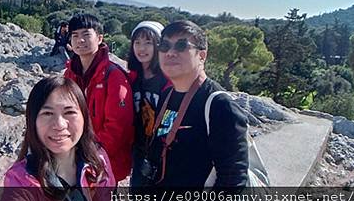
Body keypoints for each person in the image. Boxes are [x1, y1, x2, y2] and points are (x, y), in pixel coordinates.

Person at [143, 20, 249, 188]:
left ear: (202, 55)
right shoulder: (167, 95)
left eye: (181, 46)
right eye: (164, 46)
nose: (170, 53)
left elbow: (232, 179)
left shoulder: (220, 105)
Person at [1, 76, 115, 201]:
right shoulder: (21, 180)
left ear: (84, 118)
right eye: (48, 113)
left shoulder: (98, 161)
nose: (60, 125)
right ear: (33, 121)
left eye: (69, 112)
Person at [63, 14, 134, 183]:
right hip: (76, 158)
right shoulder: (70, 74)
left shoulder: (114, 76)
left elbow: (117, 128)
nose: (80, 40)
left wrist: (90, 156)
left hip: (105, 163)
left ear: (99, 38)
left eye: (86, 34)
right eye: (75, 36)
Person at [126, 21, 171, 188]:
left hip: (162, 152)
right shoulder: (131, 78)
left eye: (148, 43)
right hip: (139, 148)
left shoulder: (168, 80)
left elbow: (171, 116)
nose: (141, 48)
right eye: (137, 42)